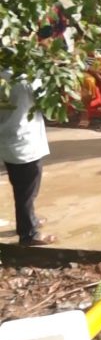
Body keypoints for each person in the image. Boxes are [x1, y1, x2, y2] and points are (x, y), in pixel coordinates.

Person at [1, 57, 56, 246]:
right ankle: (28, 233)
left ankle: (29, 220)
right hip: (25, 141)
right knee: (26, 190)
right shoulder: (27, 78)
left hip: (7, 139)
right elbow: (48, 104)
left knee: (21, 186)